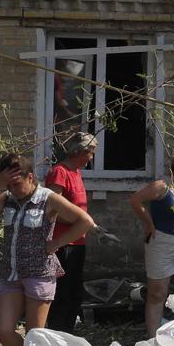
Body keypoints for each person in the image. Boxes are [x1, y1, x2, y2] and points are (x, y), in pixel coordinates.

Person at [0, 152, 94, 346]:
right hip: (11, 274)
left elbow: (85, 222)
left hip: (39, 274)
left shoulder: (48, 198)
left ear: (30, 177)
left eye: (16, 184)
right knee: (3, 331)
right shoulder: (6, 197)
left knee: (34, 335)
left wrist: (56, 244)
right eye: (8, 184)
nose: (13, 189)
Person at [129, 147, 174, 337]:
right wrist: (149, 223)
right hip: (162, 244)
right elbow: (135, 200)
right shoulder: (161, 186)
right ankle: (153, 340)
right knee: (157, 293)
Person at [45, 132, 97, 334]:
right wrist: (82, 222)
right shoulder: (60, 172)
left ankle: (67, 334)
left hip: (77, 241)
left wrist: (87, 225)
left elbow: (77, 209)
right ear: (80, 151)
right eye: (91, 153)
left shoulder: (76, 172)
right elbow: (51, 209)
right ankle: (56, 335)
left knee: (75, 293)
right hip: (61, 243)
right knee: (62, 294)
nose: (91, 158)